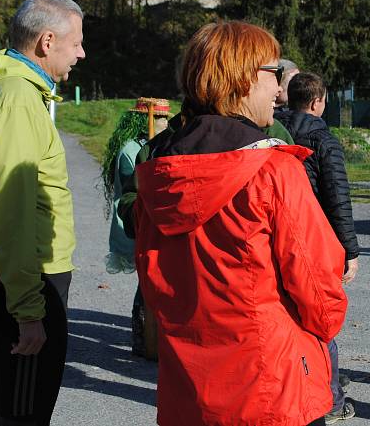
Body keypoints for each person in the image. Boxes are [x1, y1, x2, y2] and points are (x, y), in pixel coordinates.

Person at [133, 21, 348, 426]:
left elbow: (152, 282)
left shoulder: (158, 170)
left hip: (188, 387)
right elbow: (319, 286)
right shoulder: (273, 169)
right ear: (244, 79)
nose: (281, 89)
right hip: (269, 386)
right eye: (275, 74)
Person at [0, 0, 85, 425]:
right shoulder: (16, 99)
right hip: (26, 279)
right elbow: (11, 208)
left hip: (0, 272)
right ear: (47, 41)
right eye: (76, 43)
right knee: (22, 413)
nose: (81, 54)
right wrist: (29, 310)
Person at [274, 72, 359, 423]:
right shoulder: (322, 137)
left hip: (276, 236)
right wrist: (350, 252)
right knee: (322, 321)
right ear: (317, 102)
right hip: (314, 239)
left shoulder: (270, 129)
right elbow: (338, 197)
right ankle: (332, 398)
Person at [100, 97, 170, 357]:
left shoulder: (150, 145)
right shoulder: (132, 150)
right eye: (160, 119)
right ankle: (143, 336)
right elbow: (136, 188)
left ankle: (150, 335)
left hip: (143, 219)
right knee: (146, 280)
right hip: (134, 220)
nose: (165, 123)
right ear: (147, 120)